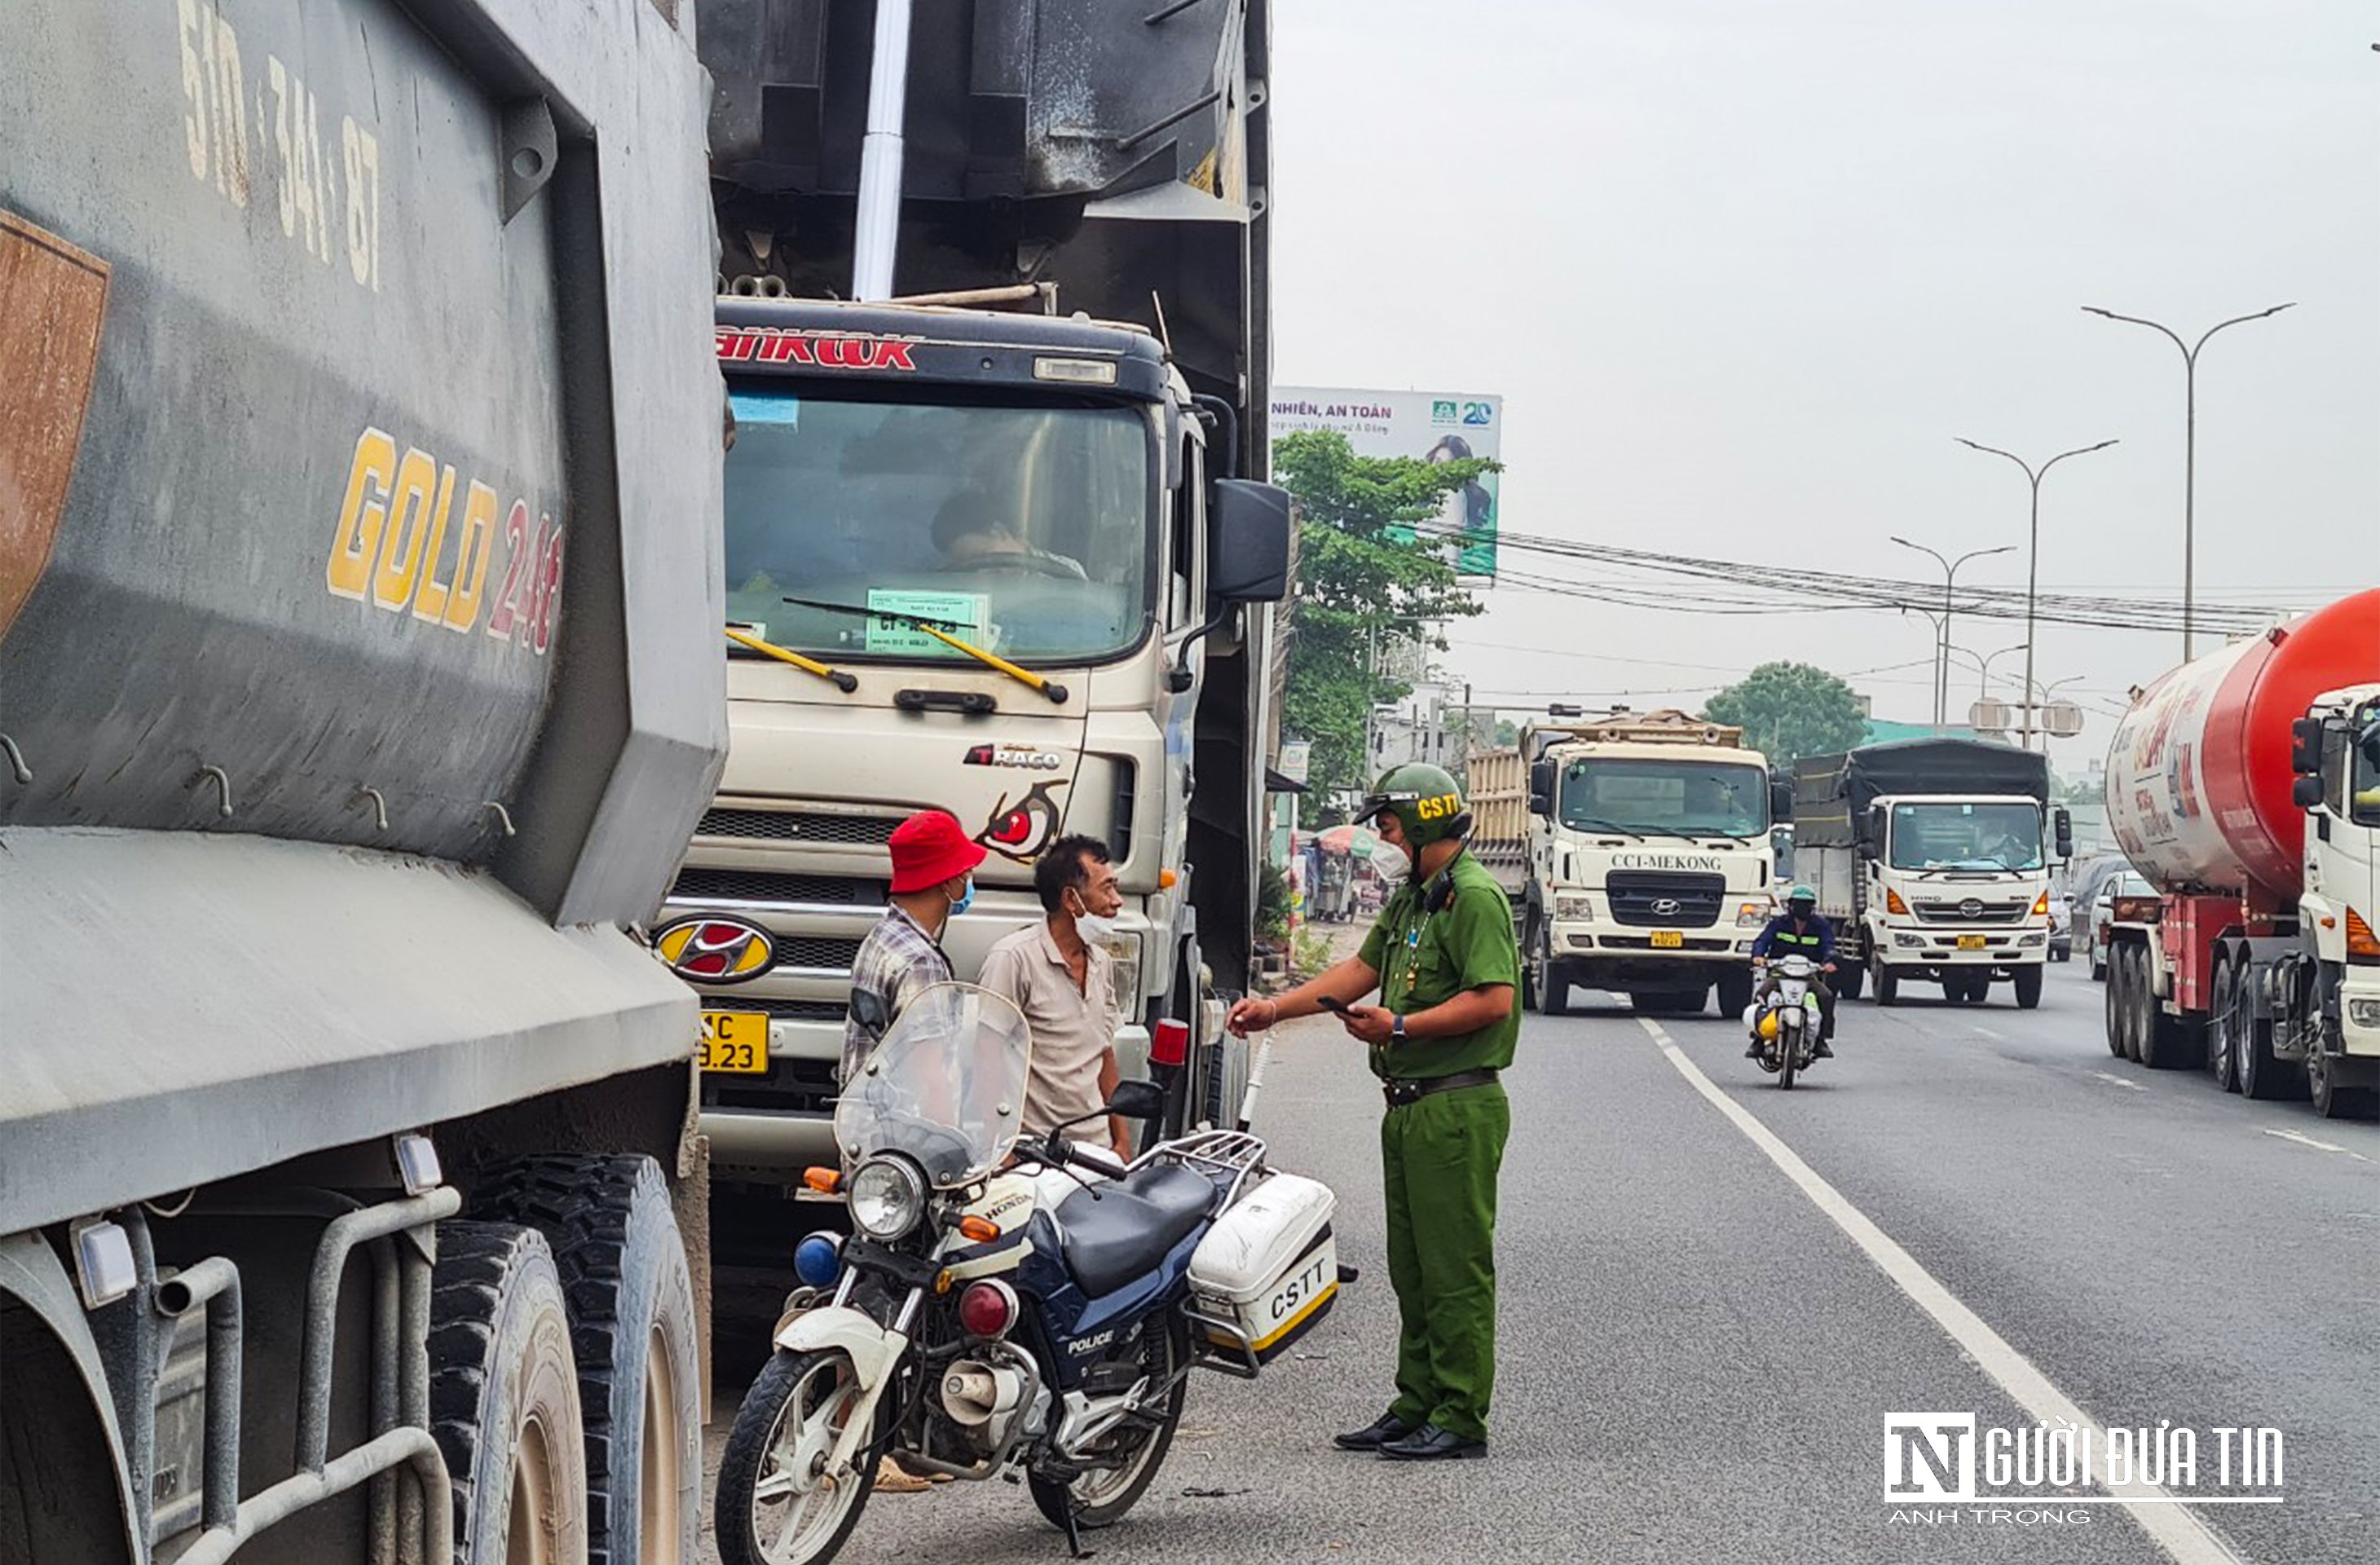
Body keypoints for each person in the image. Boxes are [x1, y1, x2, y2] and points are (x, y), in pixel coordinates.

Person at [1225, 763, 1515, 1463]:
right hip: (1410, 1107)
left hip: (1455, 1106)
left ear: (1421, 824)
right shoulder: (1416, 896)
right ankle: (1417, 1403)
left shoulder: (1473, 899)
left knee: (1454, 1268)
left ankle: (1460, 1414)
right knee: (1411, 1266)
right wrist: (1276, 1008)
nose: (1380, 839)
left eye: (1387, 826)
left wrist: (1403, 1029)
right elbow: (1359, 971)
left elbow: (1494, 999)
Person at [837, 808, 985, 1494]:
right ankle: (868, 1447)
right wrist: (962, 1147)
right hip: (908, 1153)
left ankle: (899, 1443)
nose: (969, 880)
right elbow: (931, 1070)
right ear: (948, 881)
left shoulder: (881, 939)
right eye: (964, 872)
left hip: (869, 1144)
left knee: (880, 1285)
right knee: (894, 1295)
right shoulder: (922, 960)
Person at [977, 835, 1132, 1158]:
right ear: (1071, 900)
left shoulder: (1101, 962)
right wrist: (999, 1152)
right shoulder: (1014, 959)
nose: (1117, 901)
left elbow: (1105, 1057)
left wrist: (1122, 1144)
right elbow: (985, 1057)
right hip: (1036, 1156)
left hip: (1096, 1155)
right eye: (1106, 889)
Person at [1747, 885, 1836, 1060]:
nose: (1803, 908)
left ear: (1812, 907)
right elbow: (1762, 941)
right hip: (1779, 975)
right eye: (1799, 904)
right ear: (1790, 905)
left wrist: (1829, 962)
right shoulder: (1778, 923)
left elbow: (1829, 946)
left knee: (1826, 996)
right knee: (1761, 995)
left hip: (1808, 976)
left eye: (1807, 904)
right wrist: (1758, 956)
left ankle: (1821, 1040)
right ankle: (1758, 1039)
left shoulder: (1821, 925)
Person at [929, 494, 1087, 580]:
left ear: (999, 532)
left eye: (979, 557)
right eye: (968, 567)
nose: (979, 573)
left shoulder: (1066, 572)